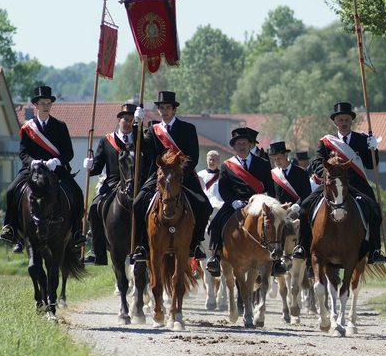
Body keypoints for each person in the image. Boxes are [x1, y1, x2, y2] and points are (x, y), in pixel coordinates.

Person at [292, 101, 386, 265]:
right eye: (340, 120)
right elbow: (317, 162)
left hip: (357, 186)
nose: (344, 123)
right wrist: (328, 175)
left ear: (351, 121)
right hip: (332, 185)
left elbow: (371, 165)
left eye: (346, 119)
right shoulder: (325, 142)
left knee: (375, 210)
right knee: (304, 207)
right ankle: (302, 247)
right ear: (335, 122)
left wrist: (373, 149)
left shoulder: (362, 140)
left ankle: (374, 250)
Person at [0, 86, 85, 253]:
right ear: (36, 105)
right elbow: (23, 153)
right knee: (11, 191)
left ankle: (77, 231)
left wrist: (57, 161)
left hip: (55, 170)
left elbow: (69, 153)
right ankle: (11, 229)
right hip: (33, 170)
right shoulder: (27, 128)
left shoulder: (60, 126)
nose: (46, 106)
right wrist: (32, 162)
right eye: (43, 103)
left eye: (48, 103)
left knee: (77, 191)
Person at [130, 91, 213, 264]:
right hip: (159, 176)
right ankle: (142, 245)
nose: (165, 111)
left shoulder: (188, 129)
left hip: (183, 174)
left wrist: (179, 173)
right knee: (138, 203)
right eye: (161, 108)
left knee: (204, 206)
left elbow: (193, 156)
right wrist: (136, 125)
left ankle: (196, 244)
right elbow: (139, 147)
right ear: (158, 110)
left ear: (174, 110)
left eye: (168, 107)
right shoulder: (153, 131)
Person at [205, 126, 286, 277]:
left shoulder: (262, 163)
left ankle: (277, 261)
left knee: (277, 223)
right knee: (216, 222)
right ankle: (215, 257)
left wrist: (268, 202)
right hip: (236, 204)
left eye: (244, 143)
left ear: (250, 145)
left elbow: (270, 186)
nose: (241, 146)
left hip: (259, 203)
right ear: (234, 146)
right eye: (238, 144)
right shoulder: (226, 166)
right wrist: (233, 202)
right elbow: (223, 189)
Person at [81, 103, 152, 265]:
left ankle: (145, 245)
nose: (127, 123)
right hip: (113, 182)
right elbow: (98, 168)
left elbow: (148, 157)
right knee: (94, 207)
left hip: (137, 183)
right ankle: (96, 250)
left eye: (131, 120)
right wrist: (90, 166)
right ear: (119, 120)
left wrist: (138, 127)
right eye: (124, 119)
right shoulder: (107, 140)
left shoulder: (141, 138)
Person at [269, 141, 312, 205]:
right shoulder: (273, 174)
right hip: (280, 212)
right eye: (275, 159)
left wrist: (295, 207)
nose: (277, 161)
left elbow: (306, 194)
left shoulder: (301, 172)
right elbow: (271, 195)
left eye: (279, 158)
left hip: (298, 211)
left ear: (286, 155)